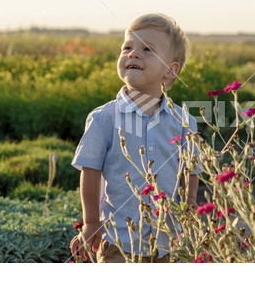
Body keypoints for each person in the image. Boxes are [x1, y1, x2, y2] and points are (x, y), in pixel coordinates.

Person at [69, 14, 200, 263]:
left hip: (168, 241)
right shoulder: (103, 118)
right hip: (118, 240)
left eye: (147, 49)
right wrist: (91, 222)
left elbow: (190, 167)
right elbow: (90, 171)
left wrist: (191, 201)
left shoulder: (184, 121)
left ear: (171, 71)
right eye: (127, 47)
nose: (133, 54)